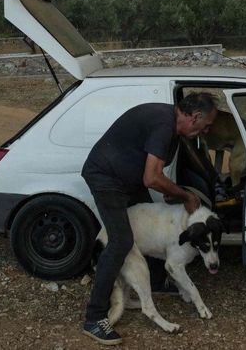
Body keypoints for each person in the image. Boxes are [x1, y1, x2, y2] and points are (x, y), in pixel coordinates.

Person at [80, 92, 218, 345]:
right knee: (121, 242)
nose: (206, 131)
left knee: (147, 222)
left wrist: (172, 193)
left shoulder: (173, 129)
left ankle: (154, 281)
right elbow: (152, 178)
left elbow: (153, 173)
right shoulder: (163, 125)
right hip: (106, 178)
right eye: (206, 125)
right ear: (196, 116)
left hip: (127, 179)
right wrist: (185, 196)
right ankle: (95, 317)